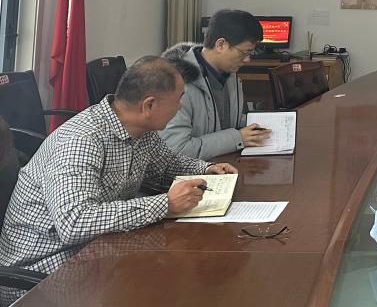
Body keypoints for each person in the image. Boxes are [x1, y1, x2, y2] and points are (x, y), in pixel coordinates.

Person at [0, 57, 236, 280]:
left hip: (97, 248)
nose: (179, 107)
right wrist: (165, 204)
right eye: (178, 99)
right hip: (45, 267)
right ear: (149, 105)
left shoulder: (139, 128)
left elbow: (165, 166)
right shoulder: (82, 140)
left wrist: (207, 169)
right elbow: (74, 223)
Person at [160, 9, 270, 159]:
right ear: (220, 44)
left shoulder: (230, 74)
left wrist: (264, 124)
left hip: (222, 161)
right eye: (243, 53)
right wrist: (237, 138)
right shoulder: (176, 83)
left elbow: (231, 122)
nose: (247, 60)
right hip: (193, 171)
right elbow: (176, 150)